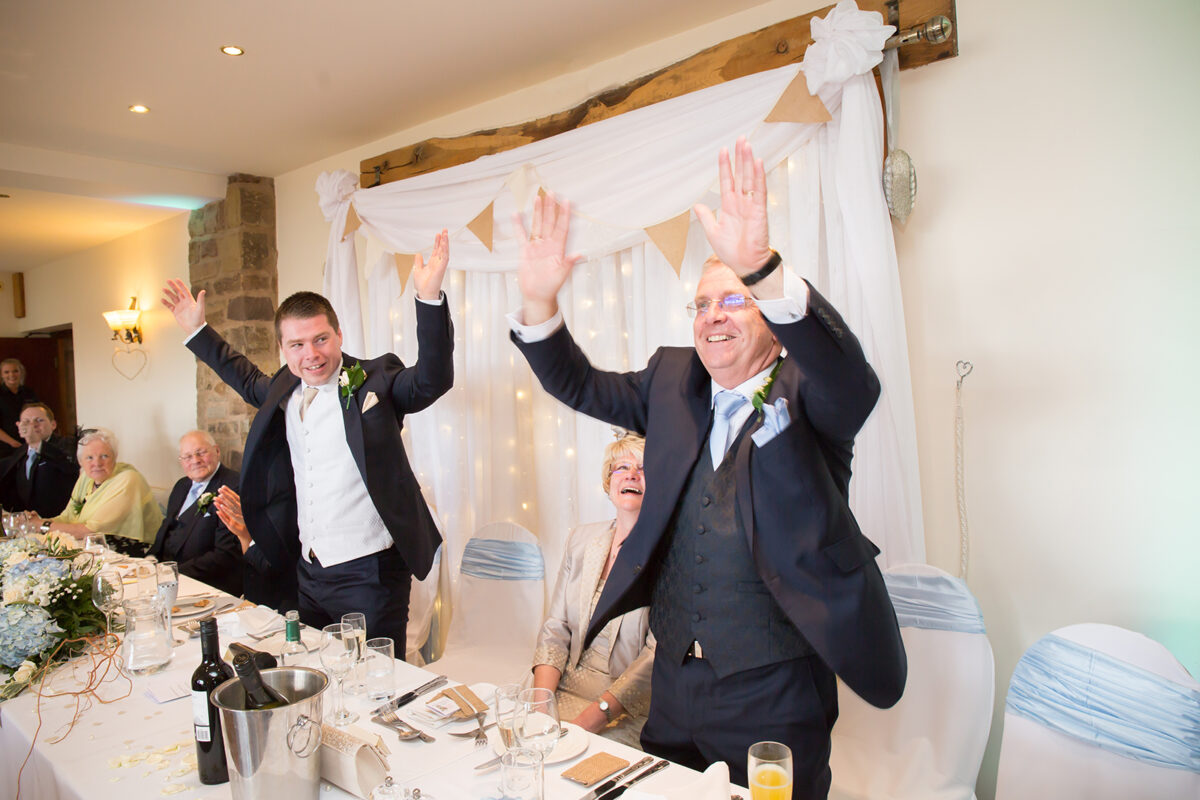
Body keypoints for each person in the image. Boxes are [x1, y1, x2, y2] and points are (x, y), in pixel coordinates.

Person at [508, 138, 905, 795]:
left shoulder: (811, 390)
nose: (712, 317)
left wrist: (765, 270)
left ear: (775, 325)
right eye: (701, 304)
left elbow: (852, 380)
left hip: (774, 688)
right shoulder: (670, 381)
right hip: (673, 688)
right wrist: (539, 305)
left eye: (734, 300)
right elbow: (579, 385)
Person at [161, 231, 453, 646]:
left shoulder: (376, 379)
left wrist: (429, 298)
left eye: (320, 339)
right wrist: (197, 331)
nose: (311, 354)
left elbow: (432, 380)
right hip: (308, 570)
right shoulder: (285, 387)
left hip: (371, 572)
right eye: (297, 345)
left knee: (376, 683)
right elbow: (244, 377)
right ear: (283, 348)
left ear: (338, 334)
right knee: (316, 670)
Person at [532, 432, 656, 749]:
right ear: (608, 481)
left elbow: (654, 658)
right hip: (558, 686)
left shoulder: (668, 558)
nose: (631, 474)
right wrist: (541, 706)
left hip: (623, 708)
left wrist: (587, 721)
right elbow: (555, 627)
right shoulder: (581, 539)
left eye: (643, 468)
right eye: (622, 467)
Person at [31, 427, 163, 556]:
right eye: (89, 458)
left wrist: (42, 525)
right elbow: (68, 517)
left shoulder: (129, 479)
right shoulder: (86, 478)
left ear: (115, 457)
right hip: (93, 549)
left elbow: (92, 532)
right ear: (80, 461)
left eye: (104, 456)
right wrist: (36, 521)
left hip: (132, 553)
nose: (97, 463)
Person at [148, 431, 243, 597]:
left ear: (217, 451)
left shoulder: (233, 487)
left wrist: (173, 573)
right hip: (165, 578)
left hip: (206, 585)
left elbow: (225, 554)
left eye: (201, 453)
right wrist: (150, 559)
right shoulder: (181, 485)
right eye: (187, 457)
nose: (195, 461)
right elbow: (167, 527)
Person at [213, 484, 298, 612]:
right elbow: (254, 569)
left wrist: (253, 529)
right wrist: (244, 536)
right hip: (263, 601)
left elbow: (281, 566)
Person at [0, 403, 77, 518]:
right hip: (28, 525)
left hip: (59, 523)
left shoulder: (68, 445)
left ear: (53, 424)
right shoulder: (20, 452)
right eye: (26, 422)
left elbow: (69, 467)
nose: (33, 425)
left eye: (39, 420)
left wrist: (37, 443)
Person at [0, 359, 38, 458]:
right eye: (6, 372)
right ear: (2, 375)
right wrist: (12, 442)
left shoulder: (29, 393)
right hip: (5, 447)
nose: (11, 375)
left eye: (15, 371)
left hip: (29, 444)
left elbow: (38, 415)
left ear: (21, 373)